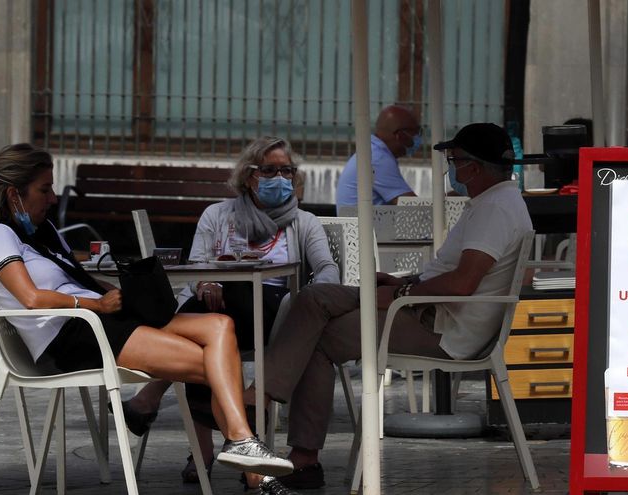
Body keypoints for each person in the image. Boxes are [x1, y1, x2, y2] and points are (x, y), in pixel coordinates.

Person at [0, 143, 294, 481]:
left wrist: (124, 295)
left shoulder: (42, 232)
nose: (52, 199)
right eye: (44, 189)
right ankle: (252, 462)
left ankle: (241, 444)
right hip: (73, 336)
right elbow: (31, 298)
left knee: (221, 326)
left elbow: (75, 277)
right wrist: (95, 304)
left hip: (102, 321)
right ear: (13, 194)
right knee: (215, 363)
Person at [245, 123, 533, 490]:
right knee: (314, 297)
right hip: (423, 304)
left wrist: (400, 295)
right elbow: (455, 276)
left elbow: (463, 283)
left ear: (473, 167)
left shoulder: (496, 209)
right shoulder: (496, 203)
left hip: (440, 326)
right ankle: (262, 398)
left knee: (318, 337)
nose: (451, 170)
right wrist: (402, 284)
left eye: (453, 161)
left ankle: (298, 452)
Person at [123, 136, 339, 489]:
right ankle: (226, 447)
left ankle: (162, 409)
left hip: (275, 313)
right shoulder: (217, 214)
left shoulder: (304, 221)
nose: (280, 177)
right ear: (249, 175)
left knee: (200, 324)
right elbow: (196, 268)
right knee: (203, 321)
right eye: (269, 170)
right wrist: (204, 285)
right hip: (218, 310)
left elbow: (327, 269)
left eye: (287, 170)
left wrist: (308, 296)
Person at [335, 105, 421, 212]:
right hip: (366, 228)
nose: (418, 138)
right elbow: (414, 209)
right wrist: (443, 202)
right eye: (415, 133)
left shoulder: (372, 152)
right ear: (400, 135)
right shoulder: (378, 159)